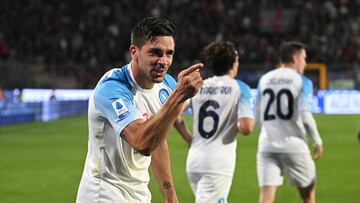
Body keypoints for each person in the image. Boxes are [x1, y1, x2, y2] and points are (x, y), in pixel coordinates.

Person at [76, 17, 203, 203]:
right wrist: (178, 96)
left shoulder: (166, 86)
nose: (163, 61)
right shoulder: (113, 88)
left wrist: (171, 197)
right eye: (155, 53)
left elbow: (157, 143)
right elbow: (142, 142)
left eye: (169, 53)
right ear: (134, 52)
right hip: (104, 192)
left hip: (139, 193)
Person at [178, 41, 254, 203]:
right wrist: (233, 125)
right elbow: (247, 127)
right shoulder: (239, 88)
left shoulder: (200, 86)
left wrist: (187, 137)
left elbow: (174, 112)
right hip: (217, 164)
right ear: (233, 63)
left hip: (194, 161)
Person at [254, 41, 324, 203]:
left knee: (265, 199)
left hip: (267, 145)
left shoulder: (265, 79)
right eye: (304, 58)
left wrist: (269, 132)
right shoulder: (302, 81)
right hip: (294, 145)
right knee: (308, 197)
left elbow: (257, 115)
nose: (305, 63)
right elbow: (305, 114)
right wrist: (317, 141)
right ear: (294, 59)